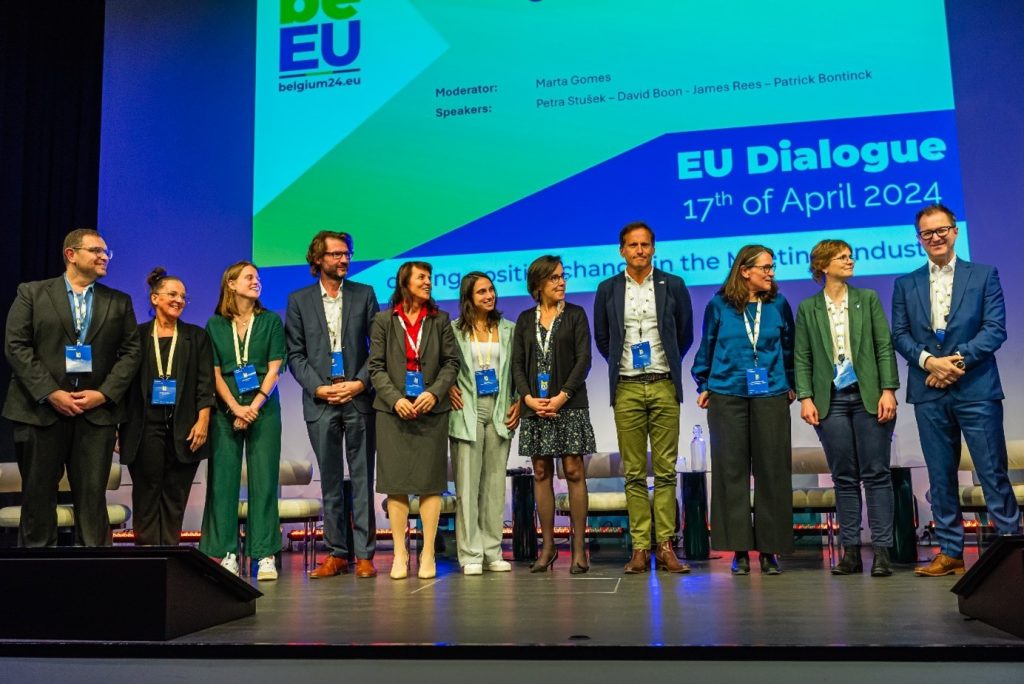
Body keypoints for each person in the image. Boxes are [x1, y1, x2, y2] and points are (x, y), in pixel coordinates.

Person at [891, 204, 1020, 576]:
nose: (935, 238)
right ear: (919, 239)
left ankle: (1010, 551)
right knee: (940, 473)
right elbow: (900, 335)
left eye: (941, 230)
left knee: (991, 471)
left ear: (955, 231)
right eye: (927, 233)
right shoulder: (906, 283)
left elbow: (995, 329)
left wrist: (955, 364)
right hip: (929, 391)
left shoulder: (983, 275)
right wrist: (930, 362)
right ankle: (949, 552)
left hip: (977, 388)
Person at [3, 228, 141, 547]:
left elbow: (132, 352)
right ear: (71, 254)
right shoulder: (33, 293)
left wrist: (103, 394)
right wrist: (51, 392)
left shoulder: (118, 302)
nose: (104, 257)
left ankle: (94, 579)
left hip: (95, 417)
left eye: (107, 252)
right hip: (39, 412)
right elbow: (16, 346)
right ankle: (36, 580)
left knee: (92, 501)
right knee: (38, 498)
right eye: (96, 251)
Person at [593, 221, 694, 574]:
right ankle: (639, 548)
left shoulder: (674, 285)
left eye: (645, 245)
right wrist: (626, 368)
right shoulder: (607, 289)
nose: (639, 251)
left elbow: (685, 335)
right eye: (633, 245)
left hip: (664, 383)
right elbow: (604, 340)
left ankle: (665, 546)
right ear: (621, 250)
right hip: (628, 387)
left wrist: (663, 363)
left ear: (654, 248)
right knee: (634, 472)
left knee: (665, 471)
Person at [794, 241, 899, 577]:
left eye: (851, 255)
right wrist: (806, 397)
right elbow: (802, 356)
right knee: (844, 478)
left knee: (877, 475)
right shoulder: (808, 307)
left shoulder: (866, 299)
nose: (850, 260)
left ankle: (882, 552)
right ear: (823, 266)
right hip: (831, 400)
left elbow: (884, 345)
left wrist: (888, 390)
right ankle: (850, 552)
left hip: (869, 396)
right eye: (842, 257)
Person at [692, 244, 795, 575]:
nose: (771, 273)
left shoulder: (778, 303)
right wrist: (704, 383)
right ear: (744, 270)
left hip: (771, 392)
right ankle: (738, 550)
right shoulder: (719, 304)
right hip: (727, 394)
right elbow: (707, 344)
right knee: (731, 471)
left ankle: (769, 550)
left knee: (772, 471)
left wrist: (791, 383)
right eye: (765, 267)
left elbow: (789, 346)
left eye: (772, 267)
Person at [286, 231, 380, 579]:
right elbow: (295, 355)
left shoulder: (365, 294)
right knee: (329, 481)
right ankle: (337, 553)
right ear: (318, 259)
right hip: (321, 402)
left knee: (361, 479)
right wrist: (320, 389)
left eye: (347, 254)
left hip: (358, 399)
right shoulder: (299, 300)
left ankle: (365, 555)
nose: (344, 260)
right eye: (336, 254)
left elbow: (378, 348)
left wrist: (358, 383)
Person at [369, 261, 459, 580]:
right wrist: (395, 400)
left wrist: (433, 393)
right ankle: (398, 552)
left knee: (430, 483)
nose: (428, 282)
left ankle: (428, 552)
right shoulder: (383, 320)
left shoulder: (440, 320)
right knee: (396, 484)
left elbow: (451, 363)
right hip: (392, 412)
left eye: (430, 278)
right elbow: (375, 367)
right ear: (404, 282)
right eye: (421, 277)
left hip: (430, 410)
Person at [200, 261, 286, 581]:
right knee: (223, 482)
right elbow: (215, 373)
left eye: (258, 278)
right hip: (226, 410)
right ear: (231, 284)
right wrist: (236, 407)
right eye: (249, 277)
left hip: (264, 409)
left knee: (264, 482)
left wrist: (253, 406)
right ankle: (227, 553)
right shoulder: (215, 325)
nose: (256, 282)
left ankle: (263, 554)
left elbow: (274, 369)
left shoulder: (271, 321)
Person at [512, 255, 596, 574]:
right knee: (541, 472)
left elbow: (583, 360)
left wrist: (562, 396)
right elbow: (518, 364)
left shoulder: (575, 315)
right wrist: (528, 399)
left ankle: (578, 549)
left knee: (573, 470)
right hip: (536, 407)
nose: (561, 282)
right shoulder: (524, 320)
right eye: (554, 278)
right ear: (537, 286)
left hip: (569, 404)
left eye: (563, 276)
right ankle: (547, 548)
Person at [119, 268, 215, 546]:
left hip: (185, 427)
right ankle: (147, 556)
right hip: (143, 428)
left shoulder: (196, 337)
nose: (179, 300)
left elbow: (204, 383)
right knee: (147, 493)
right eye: (172, 294)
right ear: (154, 298)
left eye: (183, 296)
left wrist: (203, 420)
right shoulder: (135, 337)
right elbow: (122, 385)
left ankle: (171, 557)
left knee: (175, 496)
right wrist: (116, 428)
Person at [448, 272, 520, 575]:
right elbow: (442, 366)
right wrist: (447, 387)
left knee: (493, 486)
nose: (489, 296)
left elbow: (518, 369)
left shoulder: (509, 329)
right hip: (467, 409)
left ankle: (493, 551)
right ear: (469, 297)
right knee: (467, 484)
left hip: (500, 408)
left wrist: (518, 400)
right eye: (481, 292)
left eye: (491, 290)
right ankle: (470, 554)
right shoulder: (453, 330)